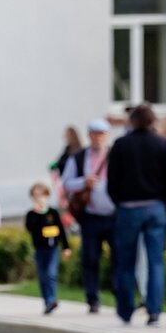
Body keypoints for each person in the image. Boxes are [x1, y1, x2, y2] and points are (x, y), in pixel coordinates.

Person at [106, 103, 166, 327]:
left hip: (129, 208)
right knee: (155, 261)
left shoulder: (121, 145)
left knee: (126, 262)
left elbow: (112, 182)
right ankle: (154, 310)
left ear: (132, 121)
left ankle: (126, 309)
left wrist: (119, 202)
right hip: (156, 207)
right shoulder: (162, 144)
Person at [62, 119, 115, 313]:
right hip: (90, 216)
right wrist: (84, 182)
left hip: (113, 215)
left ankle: (119, 294)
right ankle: (92, 298)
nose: (98, 137)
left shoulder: (114, 155)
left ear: (107, 135)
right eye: (94, 133)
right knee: (91, 258)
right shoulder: (79, 157)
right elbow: (66, 183)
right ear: (89, 135)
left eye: (102, 133)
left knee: (118, 257)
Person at [24, 182, 72, 315]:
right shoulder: (31, 214)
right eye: (36, 195)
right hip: (40, 249)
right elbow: (30, 228)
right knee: (43, 276)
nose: (39, 198)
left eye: (42, 195)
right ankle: (47, 301)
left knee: (51, 274)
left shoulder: (53, 213)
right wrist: (37, 213)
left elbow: (61, 230)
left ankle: (51, 299)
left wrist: (66, 247)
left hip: (53, 248)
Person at [50, 126, 83, 230]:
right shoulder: (67, 149)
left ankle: (75, 226)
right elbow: (60, 162)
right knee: (65, 207)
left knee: (73, 207)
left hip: (76, 186)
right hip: (66, 185)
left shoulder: (78, 150)